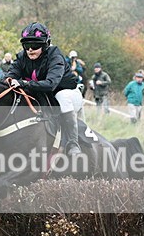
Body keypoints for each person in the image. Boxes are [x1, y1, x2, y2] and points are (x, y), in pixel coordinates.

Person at [5, 22, 84, 157]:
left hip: (68, 93)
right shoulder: (21, 57)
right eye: (27, 45)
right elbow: (9, 77)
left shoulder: (55, 56)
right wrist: (9, 81)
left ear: (45, 45)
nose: (30, 50)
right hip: (45, 95)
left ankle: (73, 143)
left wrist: (23, 83)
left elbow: (50, 84)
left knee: (62, 97)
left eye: (35, 45)